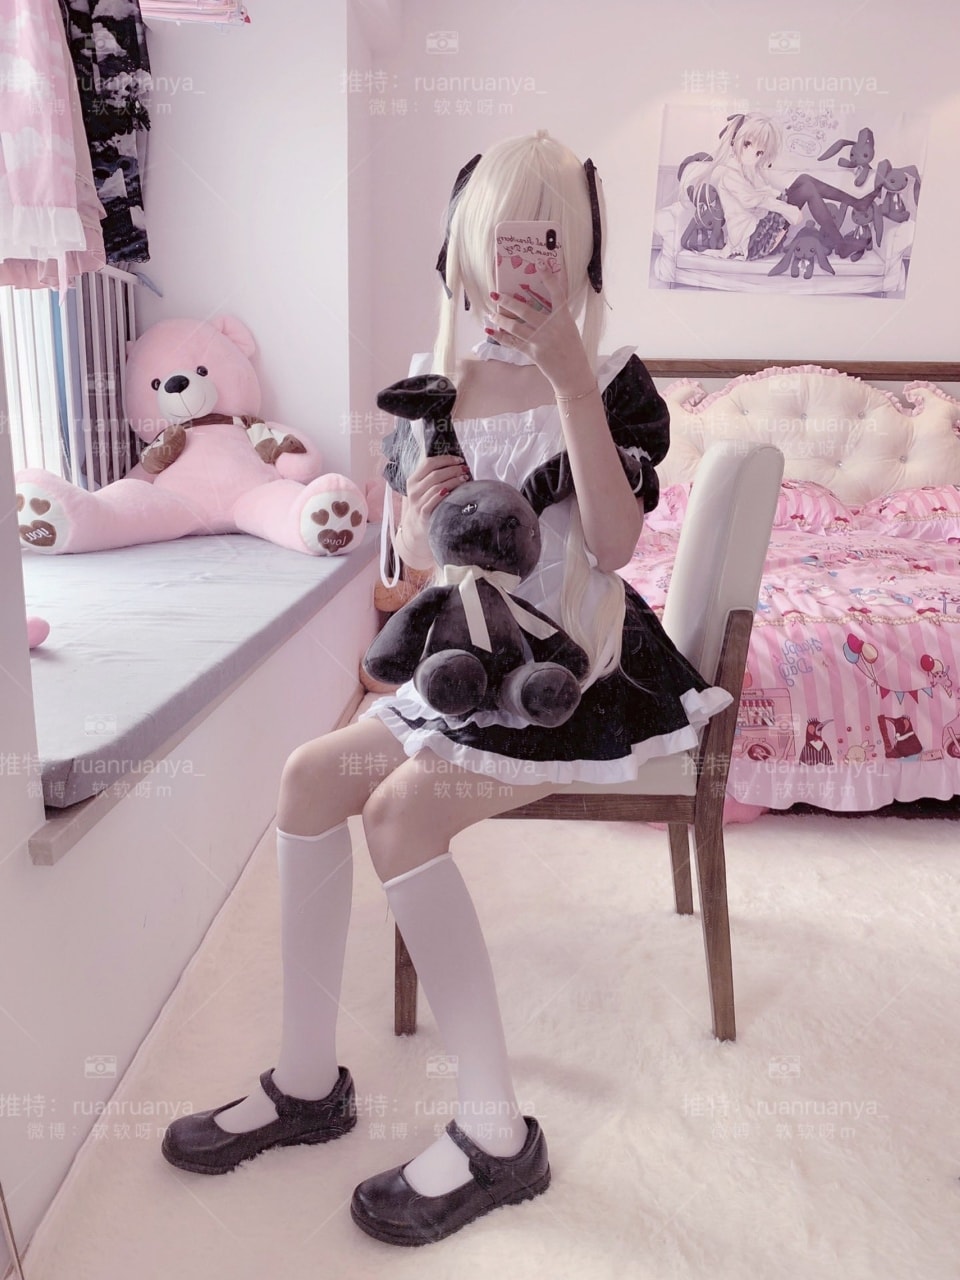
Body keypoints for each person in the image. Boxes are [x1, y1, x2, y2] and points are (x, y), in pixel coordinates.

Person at [161, 131, 732, 1246]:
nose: (521, 267)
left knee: (401, 811)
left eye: (546, 241)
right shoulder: (435, 386)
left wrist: (569, 380)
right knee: (308, 778)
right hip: (469, 653)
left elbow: (614, 546)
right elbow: (419, 568)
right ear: (467, 249)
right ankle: (308, 1080)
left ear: (579, 252)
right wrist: (423, 518)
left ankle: (497, 1132)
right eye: (502, 241)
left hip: (576, 672)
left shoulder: (611, 378)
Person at [682, 112, 875, 261]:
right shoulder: (730, 174)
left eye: (759, 152)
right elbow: (752, 200)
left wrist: (782, 197)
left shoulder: (748, 169)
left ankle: (856, 205)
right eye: (747, 144)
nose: (753, 155)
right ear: (734, 141)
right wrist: (786, 208)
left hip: (760, 229)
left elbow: (765, 191)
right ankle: (842, 240)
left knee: (804, 180)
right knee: (806, 188)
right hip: (752, 241)